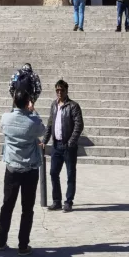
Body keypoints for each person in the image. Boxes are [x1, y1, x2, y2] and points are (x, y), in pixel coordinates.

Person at [0, 86, 44, 255]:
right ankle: (23, 245)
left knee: (7, 205)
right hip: (29, 169)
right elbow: (42, 130)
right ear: (27, 103)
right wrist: (33, 111)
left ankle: (1, 240)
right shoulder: (32, 122)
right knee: (27, 208)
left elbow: (6, 125)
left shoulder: (5, 118)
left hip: (12, 168)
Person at [44, 79, 84, 212]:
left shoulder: (73, 106)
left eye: (61, 90)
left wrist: (71, 142)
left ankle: (68, 201)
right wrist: (44, 140)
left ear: (66, 91)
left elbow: (79, 125)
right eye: (57, 90)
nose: (59, 92)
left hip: (68, 146)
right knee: (53, 173)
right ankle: (57, 201)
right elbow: (50, 124)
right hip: (56, 145)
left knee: (70, 174)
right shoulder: (54, 105)